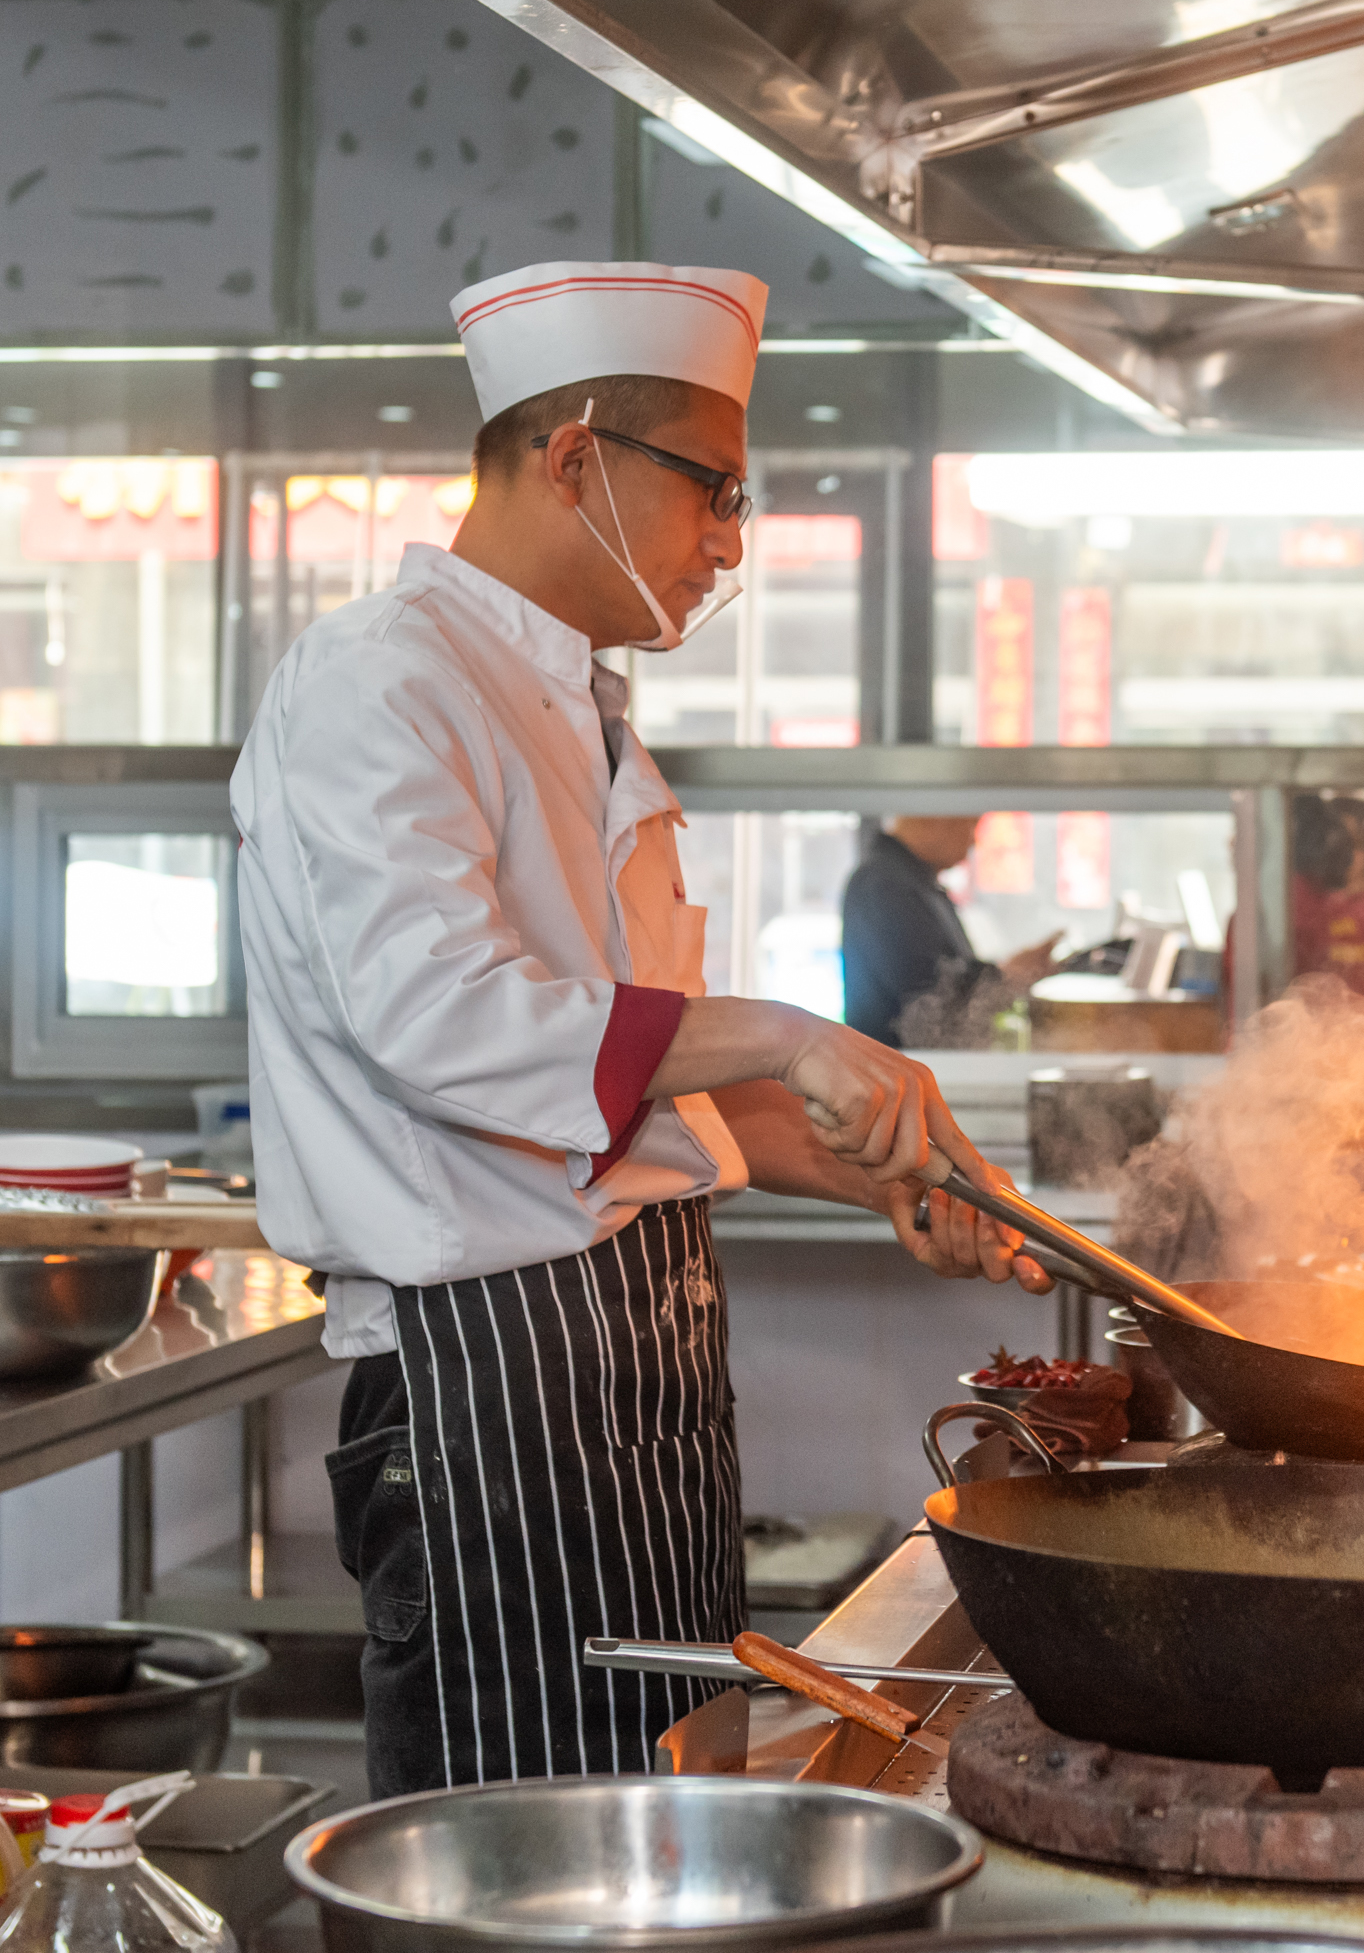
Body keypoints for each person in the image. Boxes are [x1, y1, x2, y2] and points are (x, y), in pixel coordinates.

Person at [231, 259, 1044, 1799]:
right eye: (713, 490)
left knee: (661, 1815)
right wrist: (790, 1031)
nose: (732, 539)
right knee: (522, 1852)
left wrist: (881, 1171)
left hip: (637, 1357)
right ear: (573, 458)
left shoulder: (580, 709)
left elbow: (634, 1090)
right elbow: (442, 1019)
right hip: (485, 1389)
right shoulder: (378, 681)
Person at [839, 816, 1061, 1048]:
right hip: (902, 1065)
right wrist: (1006, 976)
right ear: (934, 819)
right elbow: (928, 997)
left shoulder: (909, 881)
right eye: (970, 825)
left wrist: (1008, 976)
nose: (973, 841)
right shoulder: (884, 884)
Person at [1288, 796, 1364, 1019]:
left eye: (1345, 842)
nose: (1332, 851)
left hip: (1362, 1036)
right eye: (1327, 840)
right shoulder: (1309, 900)